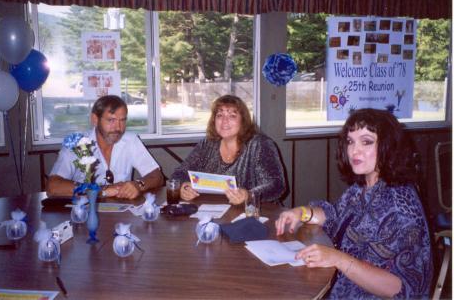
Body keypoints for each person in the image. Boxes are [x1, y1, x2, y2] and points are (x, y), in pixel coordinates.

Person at [275, 108, 432, 299]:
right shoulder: (363, 186)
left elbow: (401, 289)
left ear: (389, 146)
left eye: (366, 141)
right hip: (339, 282)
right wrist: (302, 212)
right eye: (350, 141)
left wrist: (339, 259)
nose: (354, 150)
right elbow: (336, 215)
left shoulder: (400, 208)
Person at [171, 94, 286, 205]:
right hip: (219, 213)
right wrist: (183, 187)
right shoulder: (207, 144)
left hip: (258, 212)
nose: (224, 121)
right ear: (214, 120)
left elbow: (276, 185)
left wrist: (248, 195)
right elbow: (179, 173)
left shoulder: (260, 144)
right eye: (220, 115)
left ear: (243, 121)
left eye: (232, 116)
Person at [47, 95, 164, 199]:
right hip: (84, 212)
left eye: (122, 120)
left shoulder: (130, 140)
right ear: (95, 119)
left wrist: (138, 185)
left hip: (122, 214)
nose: (118, 127)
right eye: (111, 120)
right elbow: (53, 186)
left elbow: (157, 176)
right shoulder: (77, 143)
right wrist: (101, 190)